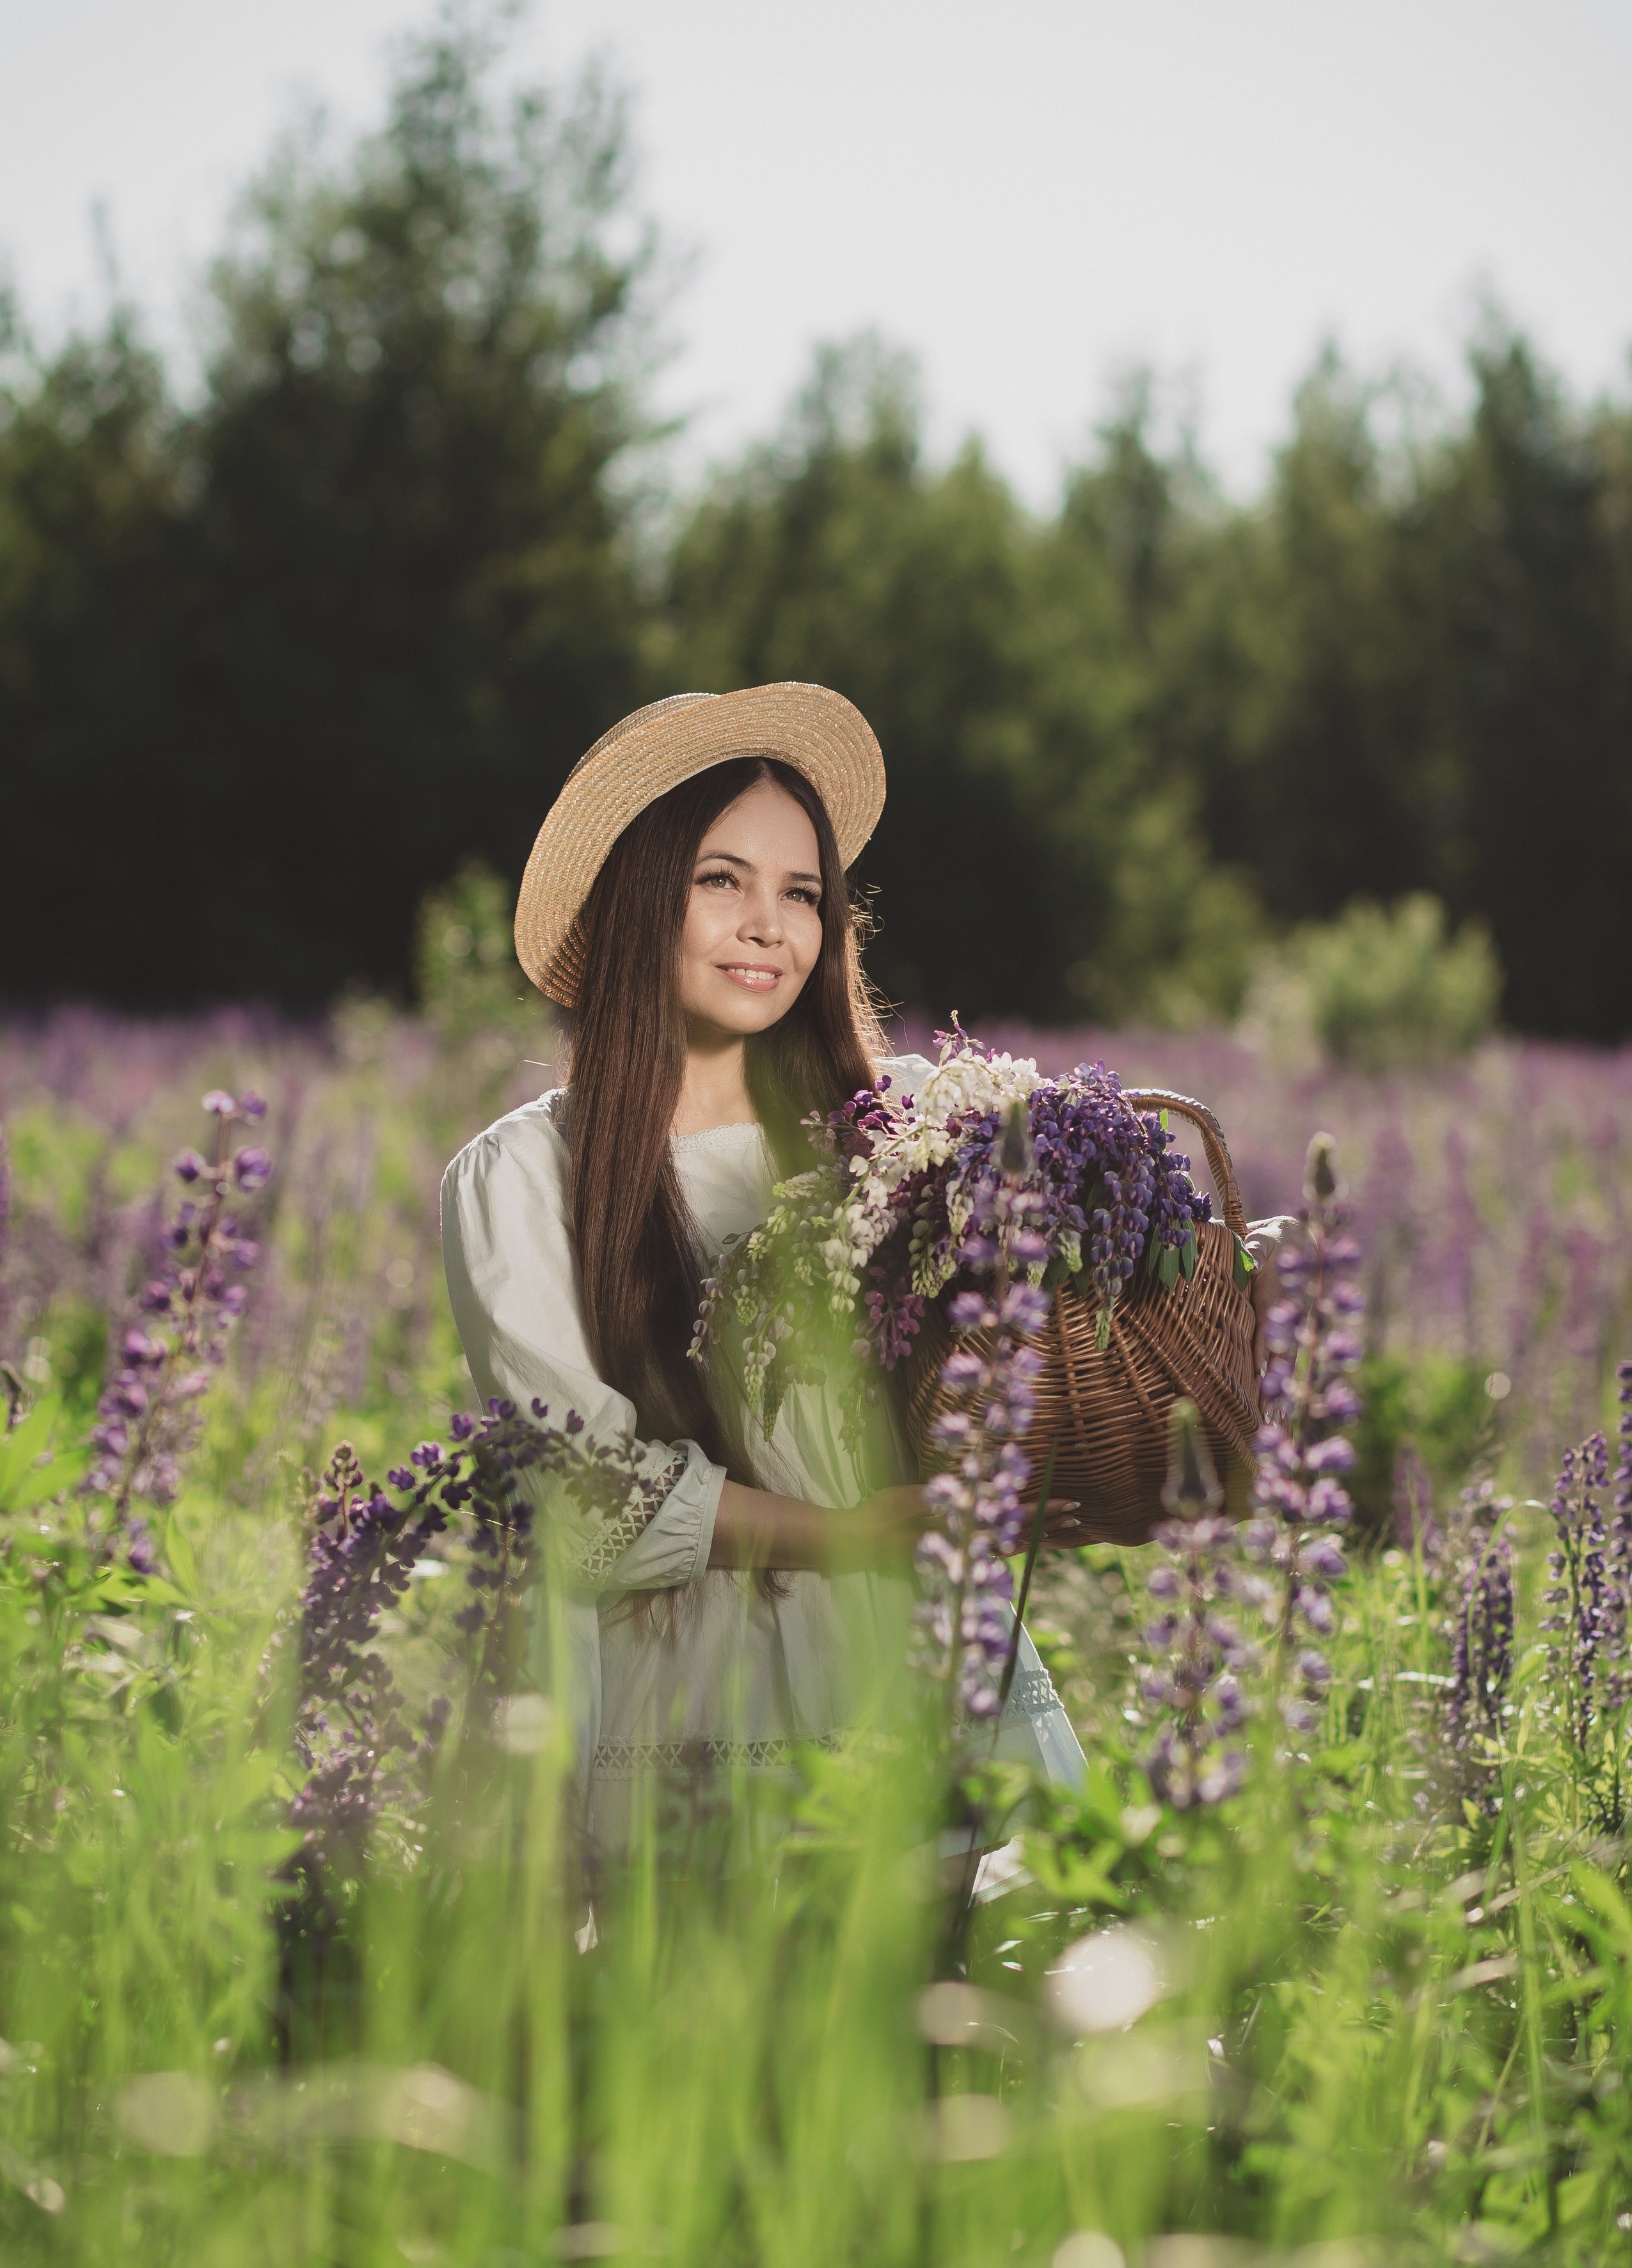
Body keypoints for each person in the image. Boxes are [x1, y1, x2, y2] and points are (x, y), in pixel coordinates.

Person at [440, 684, 1246, 1852]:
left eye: (802, 893)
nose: (771, 925)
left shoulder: (907, 1121)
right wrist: (849, 1533)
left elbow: (1034, 1350)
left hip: (920, 1665)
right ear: (638, 898)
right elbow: (578, 1490)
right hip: (691, 1705)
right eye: (722, 880)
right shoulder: (522, 1178)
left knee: (974, 2000)